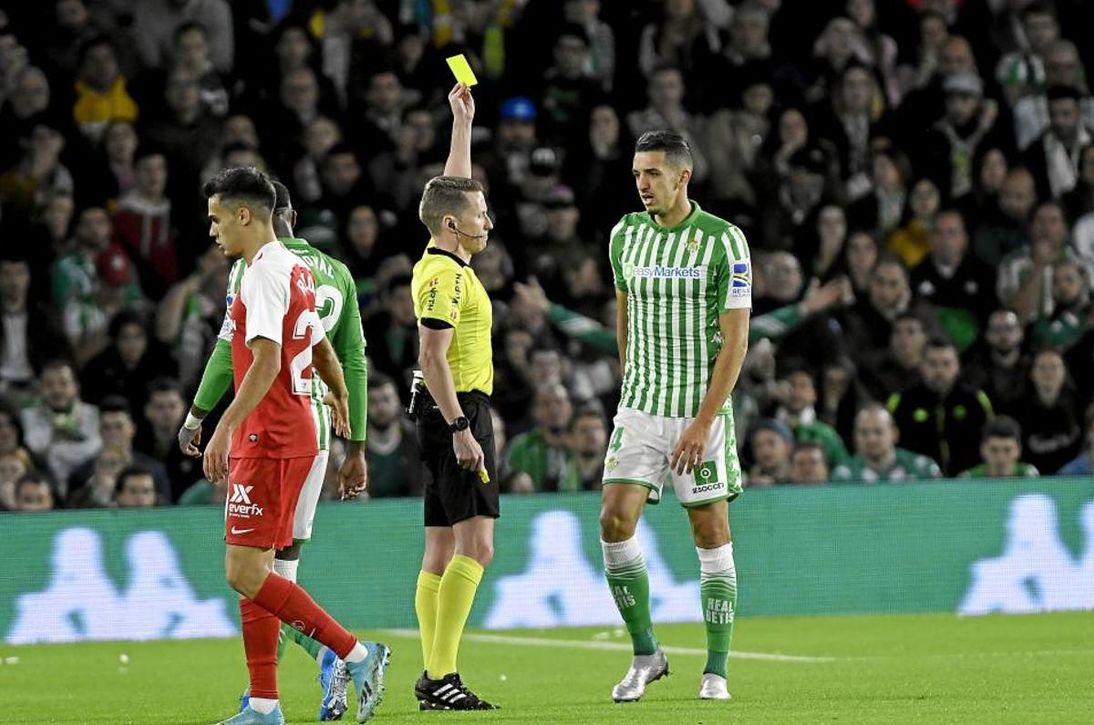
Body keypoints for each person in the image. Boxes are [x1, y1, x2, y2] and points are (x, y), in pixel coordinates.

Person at [179, 178, 374, 721]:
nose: (212, 231)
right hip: (296, 431)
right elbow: (324, 345)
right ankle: (265, 704)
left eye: (217, 218)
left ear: (245, 215)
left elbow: (262, 359)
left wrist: (220, 426)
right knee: (259, 569)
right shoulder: (298, 268)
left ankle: (353, 653)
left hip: (268, 434)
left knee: (245, 573)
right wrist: (339, 394)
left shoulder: (261, 272)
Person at [599, 130, 750, 703]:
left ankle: (716, 669)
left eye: (653, 173)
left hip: (699, 410)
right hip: (641, 405)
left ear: (683, 176)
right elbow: (623, 316)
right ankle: (646, 654)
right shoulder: (624, 235)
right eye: (638, 174)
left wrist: (703, 421)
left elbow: (736, 341)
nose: (642, 184)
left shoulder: (724, 241)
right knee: (614, 520)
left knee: (709, 532)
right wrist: (631, 384)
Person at [410, 83, 499, 712]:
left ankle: (435, 675)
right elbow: (431, 357)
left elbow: (452, 192)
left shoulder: (444, 260)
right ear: (453, 226)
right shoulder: (445, 276)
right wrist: (462, 427)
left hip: (439, 411)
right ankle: (441, 675)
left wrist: (461, 124)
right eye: (480, 215)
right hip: (457, 408)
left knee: (440, 550)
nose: (486, 221)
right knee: (478, 547)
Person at [830, 404, 941, 483]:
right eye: (864, 432)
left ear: (894, 434)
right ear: (855, 437)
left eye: (878, 432)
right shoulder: (844, 475)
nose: (871, 439)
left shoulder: (922, 469)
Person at [959, 416, 1040, 479]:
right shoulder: (968, 479)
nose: (1001, 458)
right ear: (983, 449)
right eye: (994, 450)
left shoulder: (1029, 476)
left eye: (1007, 450)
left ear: (1018, 449)